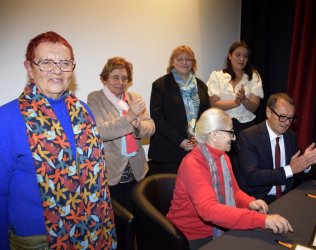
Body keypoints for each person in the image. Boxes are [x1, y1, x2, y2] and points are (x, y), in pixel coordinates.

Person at [0, 31, 117, 249]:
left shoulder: (84, 111)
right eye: (46, 62)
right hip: (38, 240)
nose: (57, 70)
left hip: (93, 229)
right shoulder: (6, 119)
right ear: (29, 68)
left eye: (64, 63)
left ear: (72, 68)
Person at [167, 107, 293, 250]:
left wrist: (250, 202)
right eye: (230, 132)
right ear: (214, 135)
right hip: (192, 237)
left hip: (215, 230)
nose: (234, 137)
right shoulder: (193, 164)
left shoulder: (223, 157)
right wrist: (263, 220)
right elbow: (209, 211)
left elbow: (234, 192)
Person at [87, 56, 155, 212]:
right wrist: (129, 117)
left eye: (125, 78)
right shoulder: (95, 98)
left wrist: (138, 125)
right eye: (115, 77)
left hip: (138, 169)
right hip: (113, 171)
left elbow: (151, 127)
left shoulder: (134, 98)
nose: (121, 82)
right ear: (105, 79)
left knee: (140, 217)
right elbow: (101, 131)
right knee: (120, 223)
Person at [237, 92, 316, 204]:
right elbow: (253, 177)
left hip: (286, 195)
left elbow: (296, 168)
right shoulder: (249, 137)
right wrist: (291, 169)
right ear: (268, 112)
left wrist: (307, 161)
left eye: (291, 118)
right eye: (283, 117)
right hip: (259, 199)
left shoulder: (290, 136)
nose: (287, 123)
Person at [148, 45, 210, 174]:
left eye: (188, 59)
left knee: (192, 189)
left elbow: (206, 116)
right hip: (169, 151)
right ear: (172, 62)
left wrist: (198, 137)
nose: (184, 62)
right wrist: (180, 141)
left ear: (193, 63)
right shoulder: (160, 85)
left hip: (196, 148)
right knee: (171, 191)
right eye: (180, 59)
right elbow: (158, 118)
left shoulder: (201, 86)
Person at [206, 41, 264, 175]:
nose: (242, 59)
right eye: (238, 55)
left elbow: (254, 107)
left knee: (246, 165)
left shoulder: (253, 76)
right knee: (223, 165)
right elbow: (213, 104)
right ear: (230, 56)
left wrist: (243, 99)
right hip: (222, 127)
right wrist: (235, 102)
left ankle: (244, 194)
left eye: (245, 56)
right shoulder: (217, 76)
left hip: (246, 127)